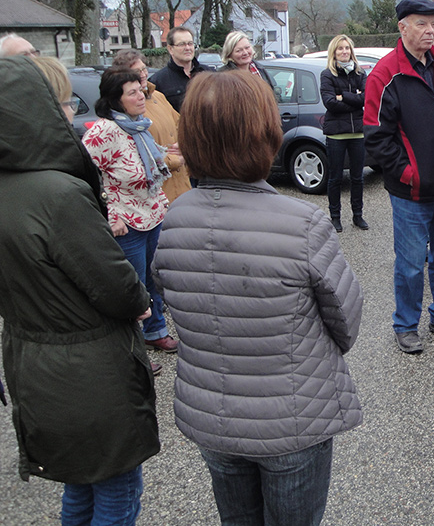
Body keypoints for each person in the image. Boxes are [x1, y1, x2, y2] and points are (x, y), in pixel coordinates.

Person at [153, 69, 363, 526]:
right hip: (293, 420)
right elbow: (345, 321)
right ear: (265, 131)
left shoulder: (175, 217)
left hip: (214, 419)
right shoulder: (301, 222)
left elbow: (178, 304)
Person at [0, 55, 159, 526]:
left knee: (80, 482)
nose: (72, 111)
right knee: (116, 484)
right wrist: (141, 301)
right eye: (64, 101)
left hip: (33, 359)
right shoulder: (56, 194)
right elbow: (115, 285)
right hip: (88, 367)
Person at [364, 0, 434, 354]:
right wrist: (409, 173)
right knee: (412, 263)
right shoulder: (385, 74)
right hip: (411, 191)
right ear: (402, 28)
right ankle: (405, 324)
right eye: (422, 24)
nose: (431, 31)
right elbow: (376, 136)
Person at [82, 68, 178, 365]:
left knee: (154, 279)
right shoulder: (103, 132)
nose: (141, 96)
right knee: (132, 289)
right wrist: (109, 213)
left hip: (153, 214)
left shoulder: (138, 125)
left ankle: (155, 331)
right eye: (133, 92)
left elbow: (149, 163)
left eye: (141, 89)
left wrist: (168, 154)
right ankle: (132, 351)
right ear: (116, 99)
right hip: (127, 223)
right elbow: (86, 177)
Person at [112, 48, 190, 202]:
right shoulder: (127, 108)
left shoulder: (158, 96)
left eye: (143, 69)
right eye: (136, 71)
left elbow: (181, 124)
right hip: (157, 195)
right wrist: (175, 161)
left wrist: (183, 144)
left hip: (182, 186)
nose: (142, 74)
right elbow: (137, 153)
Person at [320, 34, 368, 232]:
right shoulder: (327, 75)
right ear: (334, 52)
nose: (344, 52)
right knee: (335, 178)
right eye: (340, 48)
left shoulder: (360, 73)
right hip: (336, 134)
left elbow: (365, 99)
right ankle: (335, 217)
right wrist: (353, 99)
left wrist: (344, 97)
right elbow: (330, 103)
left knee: (358, 178)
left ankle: (358, 216)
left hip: (357, 132)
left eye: (347, 48)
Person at [149, 26, 206, 112]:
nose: (187, 48)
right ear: (170, 49)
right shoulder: (157, 82)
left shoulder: (209, 73)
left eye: (190, 43)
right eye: (182, 44)